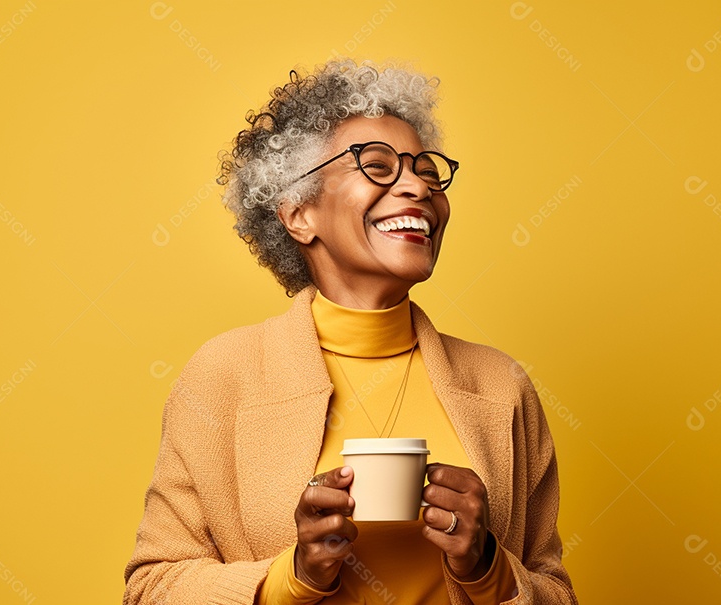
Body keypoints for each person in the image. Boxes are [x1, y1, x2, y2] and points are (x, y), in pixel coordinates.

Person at [123, 58, 576, 605]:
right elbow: (151, 589)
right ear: (298, 213)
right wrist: (295, 577)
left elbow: (555, 593)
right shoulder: (224, 375)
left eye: (427, 171)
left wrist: (487, 567)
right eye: (377, 165)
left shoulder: (500, 385)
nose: (417, 187)